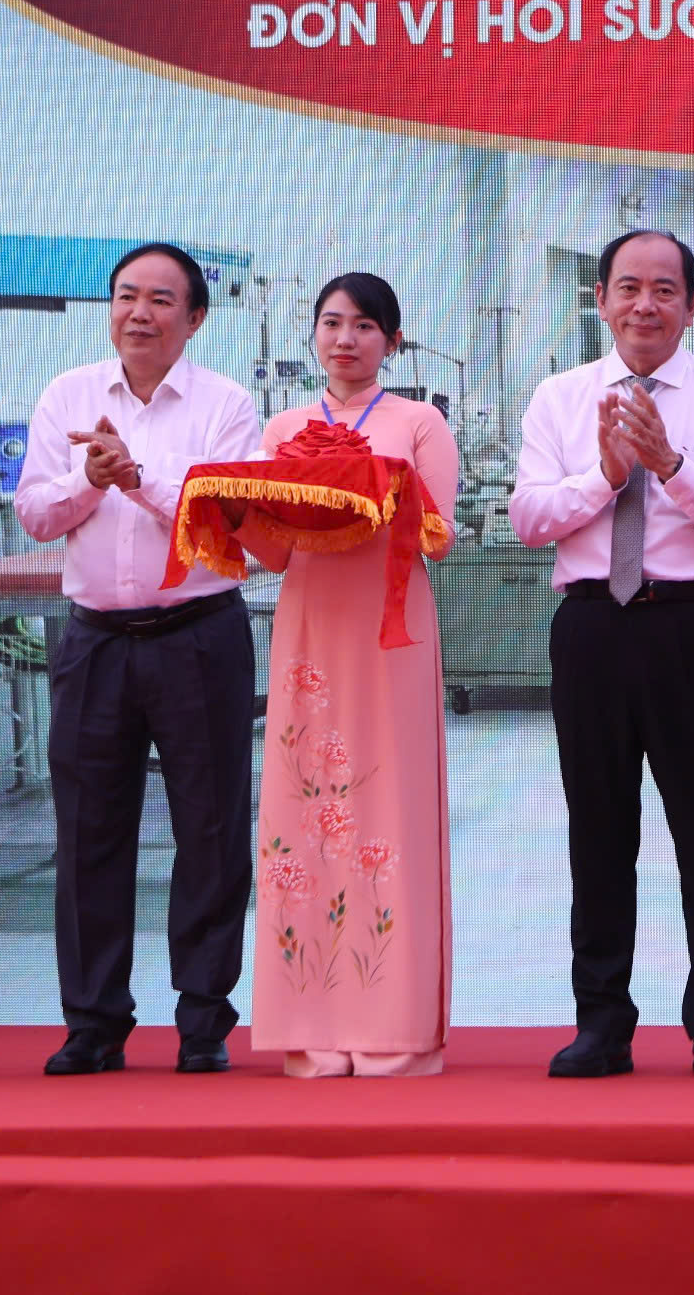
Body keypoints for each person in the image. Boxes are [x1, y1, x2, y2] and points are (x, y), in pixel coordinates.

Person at [510, 229, 694, 1080]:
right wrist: (607, 474)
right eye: (628, 287)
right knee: (599, 828)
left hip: (692, 627)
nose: (645, 304)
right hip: (591, 626)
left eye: (665, 289)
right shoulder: (558, 397)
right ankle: (601, 1021)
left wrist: (669, 464)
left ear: (692, 304)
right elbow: (530, 518)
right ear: (601, 299)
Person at [14, 242, 264, 1076]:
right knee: (88, 830)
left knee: (211, 827)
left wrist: (136, 475)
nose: (140, 313)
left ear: (195, 317)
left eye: (162, 299)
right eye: (127, 296)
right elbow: (36, 516)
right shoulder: (69, 394)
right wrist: (90, 479)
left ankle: (202, 1021)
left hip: (198, 632)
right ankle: (92, 1021)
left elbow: (223, 515)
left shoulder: (228, 403)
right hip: (93, 638)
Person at [239, 274, 460, 1078]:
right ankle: (314, 1019)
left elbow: (438, 535)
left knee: (389, 803)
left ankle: (393, 1021)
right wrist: (238, 509)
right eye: (331, 323)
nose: (346, 339)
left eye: (365, 325)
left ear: (392, 341)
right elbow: (270, 551)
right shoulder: (286, 423)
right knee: (307, 802)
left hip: (391, 620)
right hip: (309, 623)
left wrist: (379, 492)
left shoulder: (419, 421)